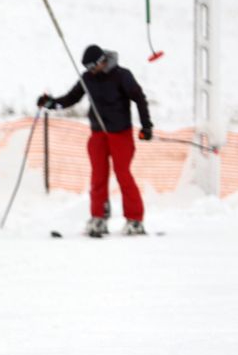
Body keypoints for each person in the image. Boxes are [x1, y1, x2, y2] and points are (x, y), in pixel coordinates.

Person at [37, 44, 153, 236]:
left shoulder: (122, 75)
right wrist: (51, 103)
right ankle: (99, 217)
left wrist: (146, 125)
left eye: (93, 66)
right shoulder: (88, 78)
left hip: (120, 133)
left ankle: (135, 220)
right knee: (98, 175)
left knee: (123, 174)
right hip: (98, 133)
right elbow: (71, 98)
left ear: (102, 61)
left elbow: (139, 98)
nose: (91, 71)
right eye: (88, 68)